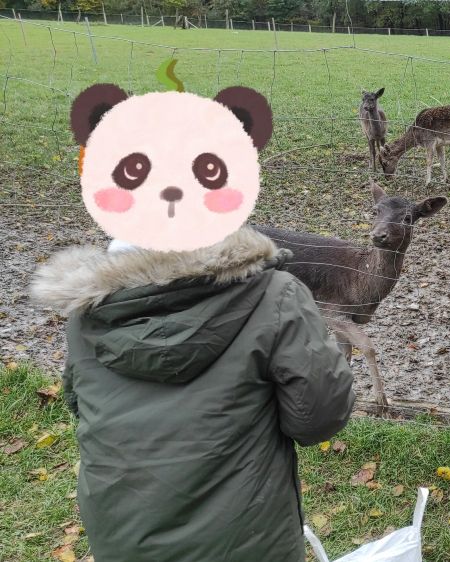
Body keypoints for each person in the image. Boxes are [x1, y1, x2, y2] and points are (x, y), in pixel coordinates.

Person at [30, 80, 355, 561]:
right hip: (247, 544)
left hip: (122, 541)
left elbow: (83, 406)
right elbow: (318, 418)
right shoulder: (275, 296)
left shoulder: (88, 310)